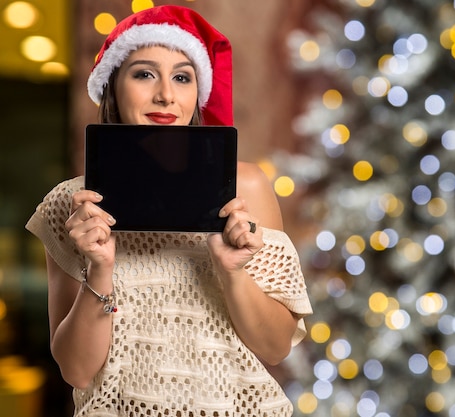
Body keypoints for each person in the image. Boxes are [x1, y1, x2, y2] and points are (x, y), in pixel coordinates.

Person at [26, 5, 312, 416]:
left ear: (198, 93)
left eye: (182, 77)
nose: (166, 94)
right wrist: (100, 269)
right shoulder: (73, 206)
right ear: (112, 87)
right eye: (144, 73)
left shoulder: (244, 188)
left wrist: (233, 273)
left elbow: (275, 347)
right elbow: (78, 372)